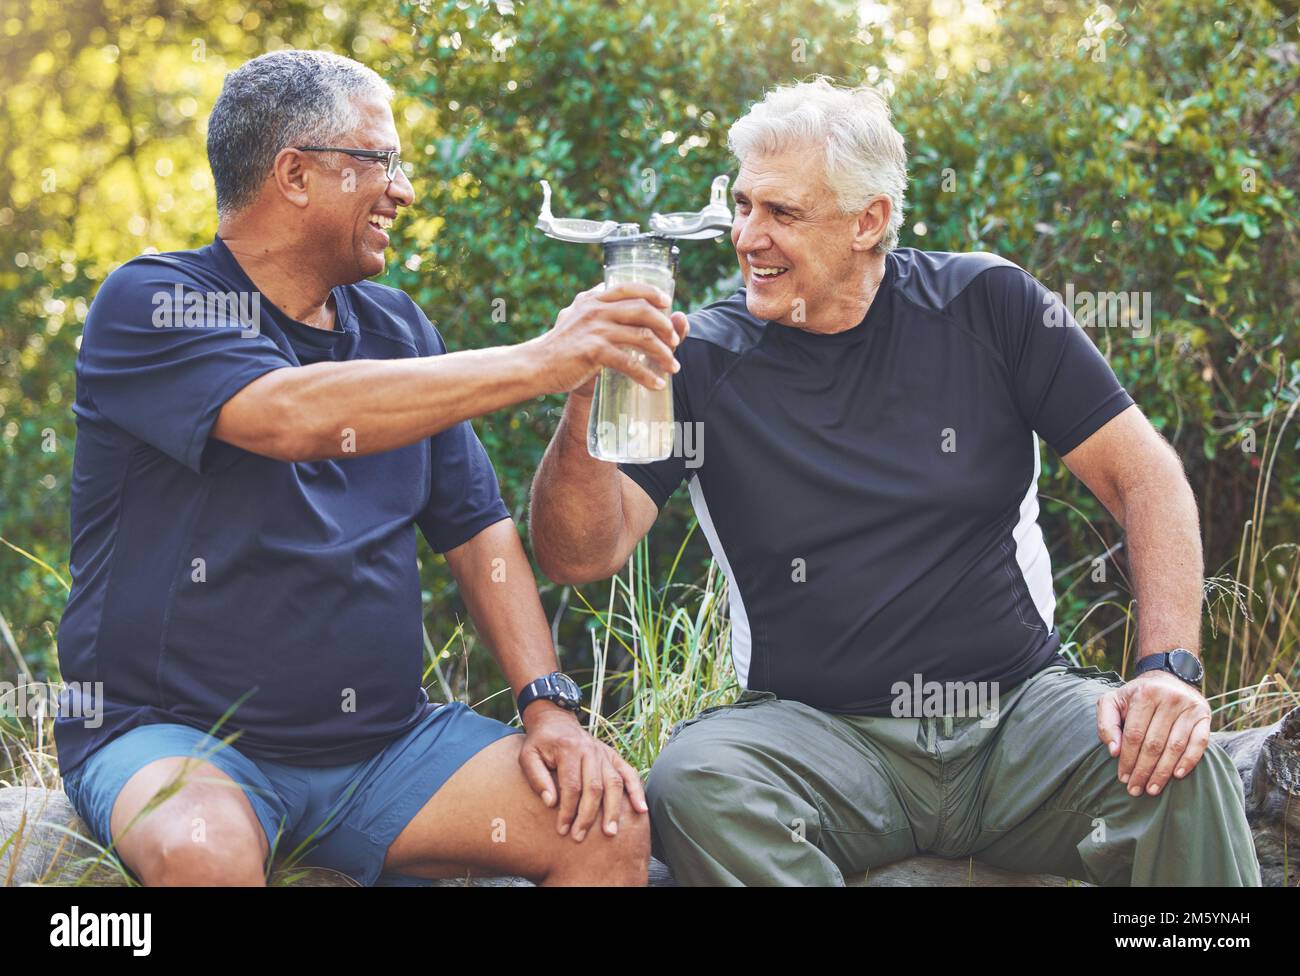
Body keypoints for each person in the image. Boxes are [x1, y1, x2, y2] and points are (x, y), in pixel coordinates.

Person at [527, 77, 1261, 886]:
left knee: (1182, 772)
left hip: (1017, 719)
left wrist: (1167, 669)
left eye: (782, 214)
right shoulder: (698, 357)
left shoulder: (990, 304)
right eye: (742, 206)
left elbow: (1147, 479)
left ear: (868, 220)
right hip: (820, 740)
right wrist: (586, 392)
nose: (747, 237)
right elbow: (578, 554)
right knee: (696, 782)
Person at [56, 49, 689, 887]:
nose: (404, 188)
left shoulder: (397, 327)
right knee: (205, 853)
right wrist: (543, 359)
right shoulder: (152, 302)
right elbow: (290, 414)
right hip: (174, 737)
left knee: (608, 825)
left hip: (384, 748)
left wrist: (547, 705)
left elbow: (478, 532)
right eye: (379, 160)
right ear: (294, 174)